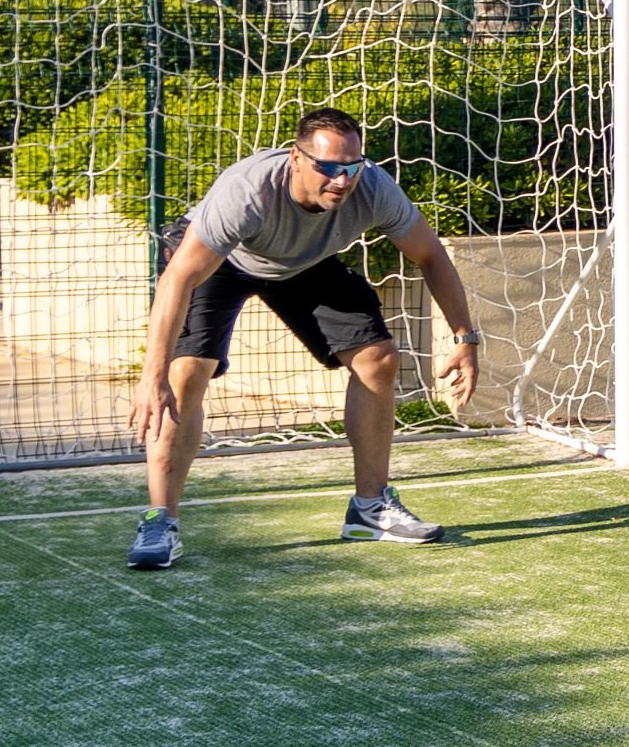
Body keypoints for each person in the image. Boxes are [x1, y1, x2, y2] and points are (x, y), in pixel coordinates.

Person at [124, 105, 485, 570]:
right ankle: (160, 520)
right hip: (225, 259)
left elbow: (430, 254)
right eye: (329, 167)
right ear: (296, 158)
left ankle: (370, 509)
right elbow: (178, 279)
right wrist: (151, 375)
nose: (343, 179)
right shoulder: (248, 192)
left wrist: (465, 337)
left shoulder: (372, 187)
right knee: (187, 372)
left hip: (301, 263)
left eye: (352, 166)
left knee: (378, 358)